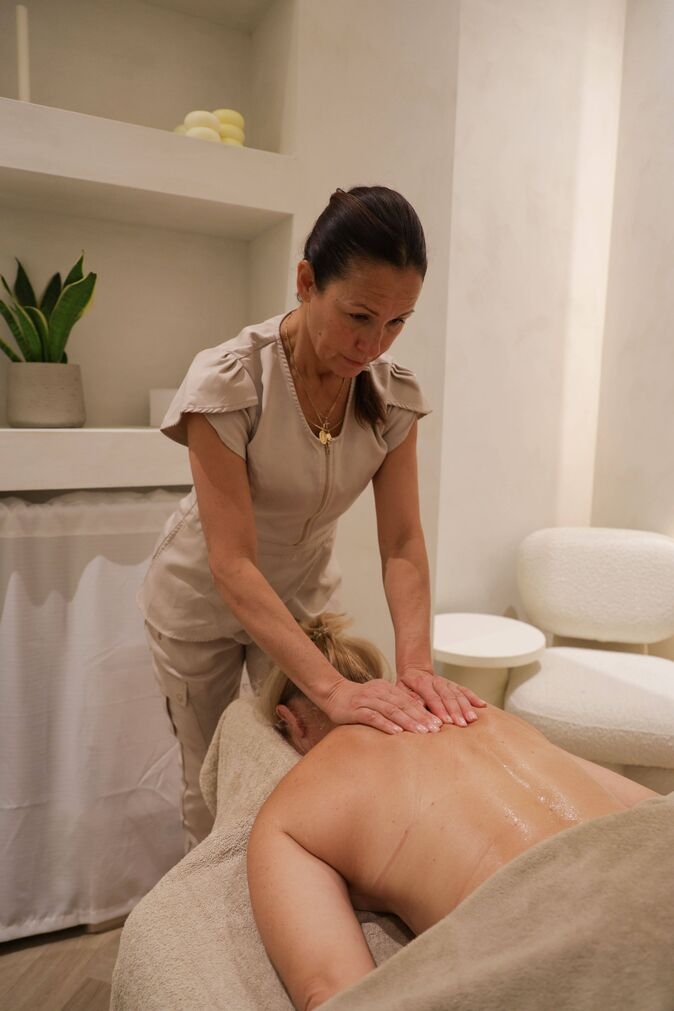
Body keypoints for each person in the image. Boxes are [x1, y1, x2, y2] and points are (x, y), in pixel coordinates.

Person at [138, 185, 485, 848]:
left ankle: (287, 886)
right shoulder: (231, 381)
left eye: (397, 322)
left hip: (299, 596)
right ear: (306, 282)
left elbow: (402, 542)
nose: (373, 343)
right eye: (359, 315)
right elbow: (231, 562)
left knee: (314, 760)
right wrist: (332, 687)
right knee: (212, 777)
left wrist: (416, 666)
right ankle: (209, 900)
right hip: (202, 602)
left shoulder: (391, 397)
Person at [248, 613, 657, 1011]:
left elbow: (333, 992)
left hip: (566, 938)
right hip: (654, 868)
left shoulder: (293, 807)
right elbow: (649, 809)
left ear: (290, 722)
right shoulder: (478, 711)